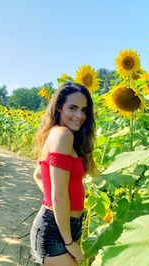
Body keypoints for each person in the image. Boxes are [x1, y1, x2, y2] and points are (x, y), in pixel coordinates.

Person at [30, 82, 96, 265]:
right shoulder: (63, 135)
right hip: (55, 232)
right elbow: (59, 195)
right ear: (59, 107)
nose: (79, 115)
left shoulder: (59, 135)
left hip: (65, 224)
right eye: (73, 108)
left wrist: (53, 200)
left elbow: (37, 175)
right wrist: (68, 241)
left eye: (84, 110)